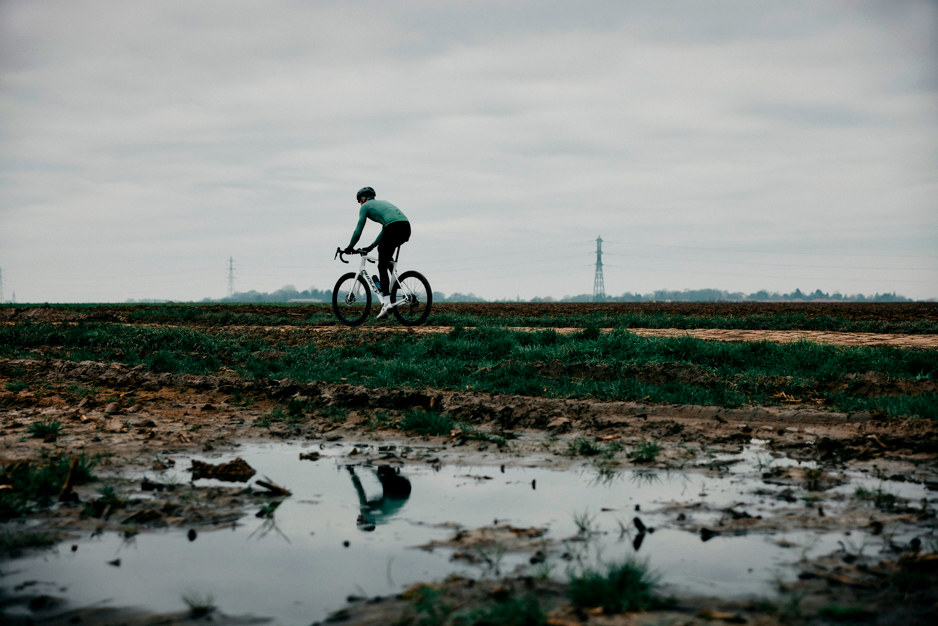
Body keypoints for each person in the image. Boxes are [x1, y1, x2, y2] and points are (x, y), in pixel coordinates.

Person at [344, 186, 411, 319]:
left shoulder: (365, 206)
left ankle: (386, 303)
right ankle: (397, 285)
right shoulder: (382, 204)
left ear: (363, 198)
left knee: (381, 264)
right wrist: (371, 246)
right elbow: (385, 230)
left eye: (359, 201)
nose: (360, 204)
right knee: (384, 254)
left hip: (393, 227)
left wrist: (350, 246)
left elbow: (359, 229)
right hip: (405, 227)